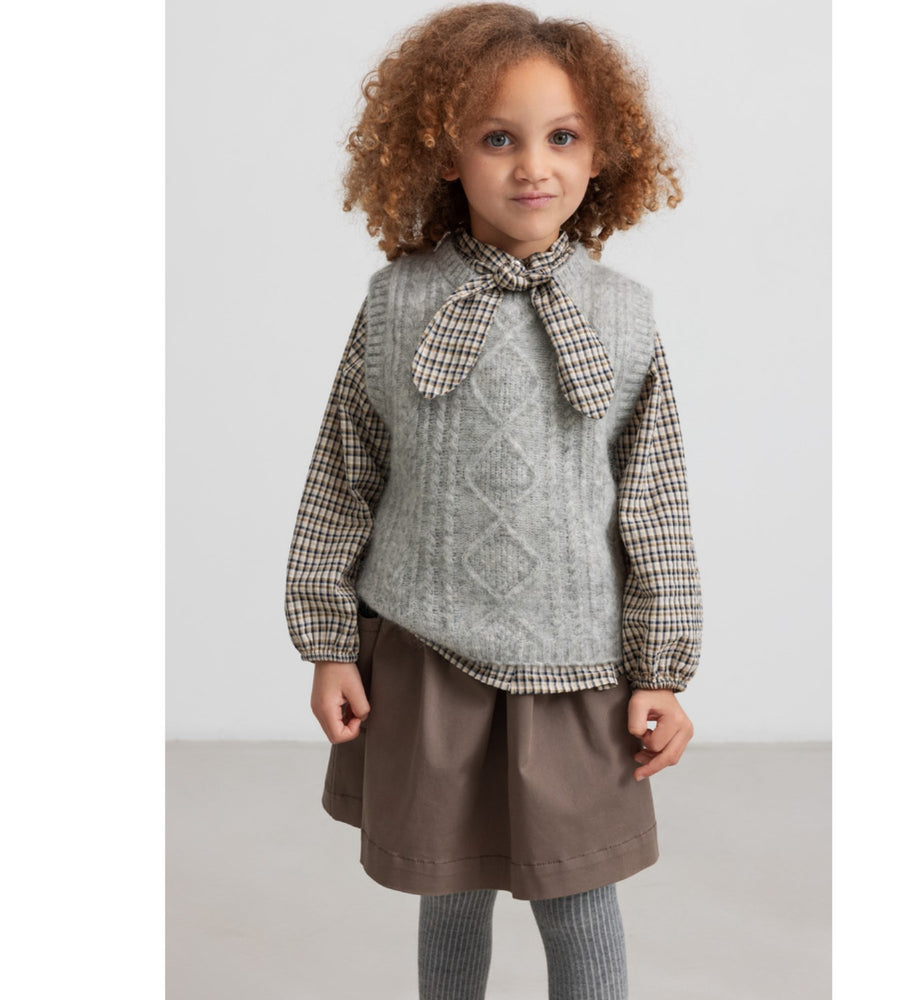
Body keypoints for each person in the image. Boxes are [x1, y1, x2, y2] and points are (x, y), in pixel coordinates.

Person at [284, 4, 704, 998]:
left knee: (580, 897)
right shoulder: (397, 307)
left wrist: (662, 667)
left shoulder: (624, 316)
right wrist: (330, 642)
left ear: (602, 154)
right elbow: (343, 477)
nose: (533, 167)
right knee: (449, 891)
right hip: (429, 654)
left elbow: (654, 503)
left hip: (578, 663)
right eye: (498, 138)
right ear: (445, 154)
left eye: (562, 137)